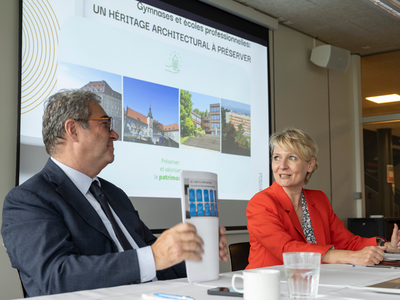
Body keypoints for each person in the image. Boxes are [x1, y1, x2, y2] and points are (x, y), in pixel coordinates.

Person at [1, 89, 228, 297]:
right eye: (106, 124)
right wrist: (154, 256)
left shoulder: (114, 194)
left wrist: (194, 253)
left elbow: (155, 258)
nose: (115, 135)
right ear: (73, 130)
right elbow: (55, 278)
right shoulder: (28, 200)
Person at [246, 128, 400, 269]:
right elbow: (287, 249)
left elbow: (347, 242)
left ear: (310, 165)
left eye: (292, 158)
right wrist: (350, 257)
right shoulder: (261, 203)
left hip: (315, 282)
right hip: (269, 286)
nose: (282, 166)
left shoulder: (319, 199)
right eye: (277, 158)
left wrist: (385, 246)